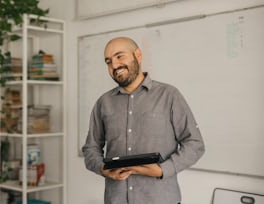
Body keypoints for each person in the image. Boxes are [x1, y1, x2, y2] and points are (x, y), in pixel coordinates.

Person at [82, 36, 205, 204]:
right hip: (116, 199)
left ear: (138, 55)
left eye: (120, 56)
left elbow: (195, 144)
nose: (114, 65)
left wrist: (162, 170)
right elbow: (90, 149)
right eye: (108, 62)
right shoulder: (103, 102)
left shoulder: (169, 95)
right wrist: (104, 169)